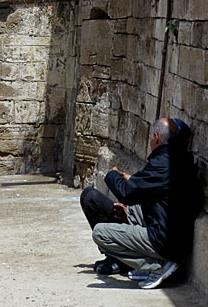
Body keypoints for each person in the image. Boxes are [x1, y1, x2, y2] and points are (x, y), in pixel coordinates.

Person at [80, 117, 200, 290]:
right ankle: (122, 260)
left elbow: (126, 193)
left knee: (100, 233)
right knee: (90, 198)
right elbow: (147, 187)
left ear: (156, 137)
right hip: (167, 228)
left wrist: (113, 175)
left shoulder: (163, 164)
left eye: (150, 137)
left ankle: (155, 266)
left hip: (165, 240)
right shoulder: (178, 159)